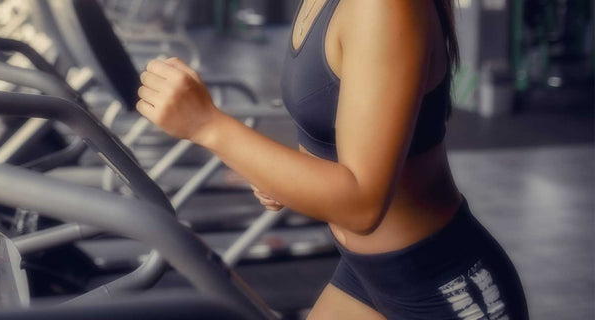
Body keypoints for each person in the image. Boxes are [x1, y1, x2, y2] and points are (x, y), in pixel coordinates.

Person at [134, 0, 529, 318]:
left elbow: (362, 203)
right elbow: (335, 139)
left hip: (444, 290)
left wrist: (208, 125)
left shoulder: (385, 6)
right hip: (368, 278)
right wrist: (281, 176)